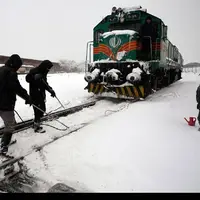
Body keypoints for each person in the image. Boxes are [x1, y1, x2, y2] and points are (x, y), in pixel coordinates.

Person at [0, 54, 32, 155]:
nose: (18, 69)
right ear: (14, 64)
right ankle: (3, 146)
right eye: (18, 66)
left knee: (10, 122)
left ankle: (6, 140)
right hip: (5, 104)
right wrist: (27, 97)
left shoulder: (1, 69)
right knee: (10, 125)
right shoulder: (10, 73)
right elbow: (17, 88)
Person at [25, 60, 56, 133]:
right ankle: (36, 127)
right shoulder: (34, 71)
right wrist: (34, 77)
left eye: (49, 69)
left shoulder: (43, 73)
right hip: (35, 95)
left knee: (42, 110)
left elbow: (45, 84)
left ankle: (36, 122)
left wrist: (50, 90)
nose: (48, 70)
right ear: (44, 66)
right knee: (38, 111)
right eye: (48, 68)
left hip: (41, 94)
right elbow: (27, 79)